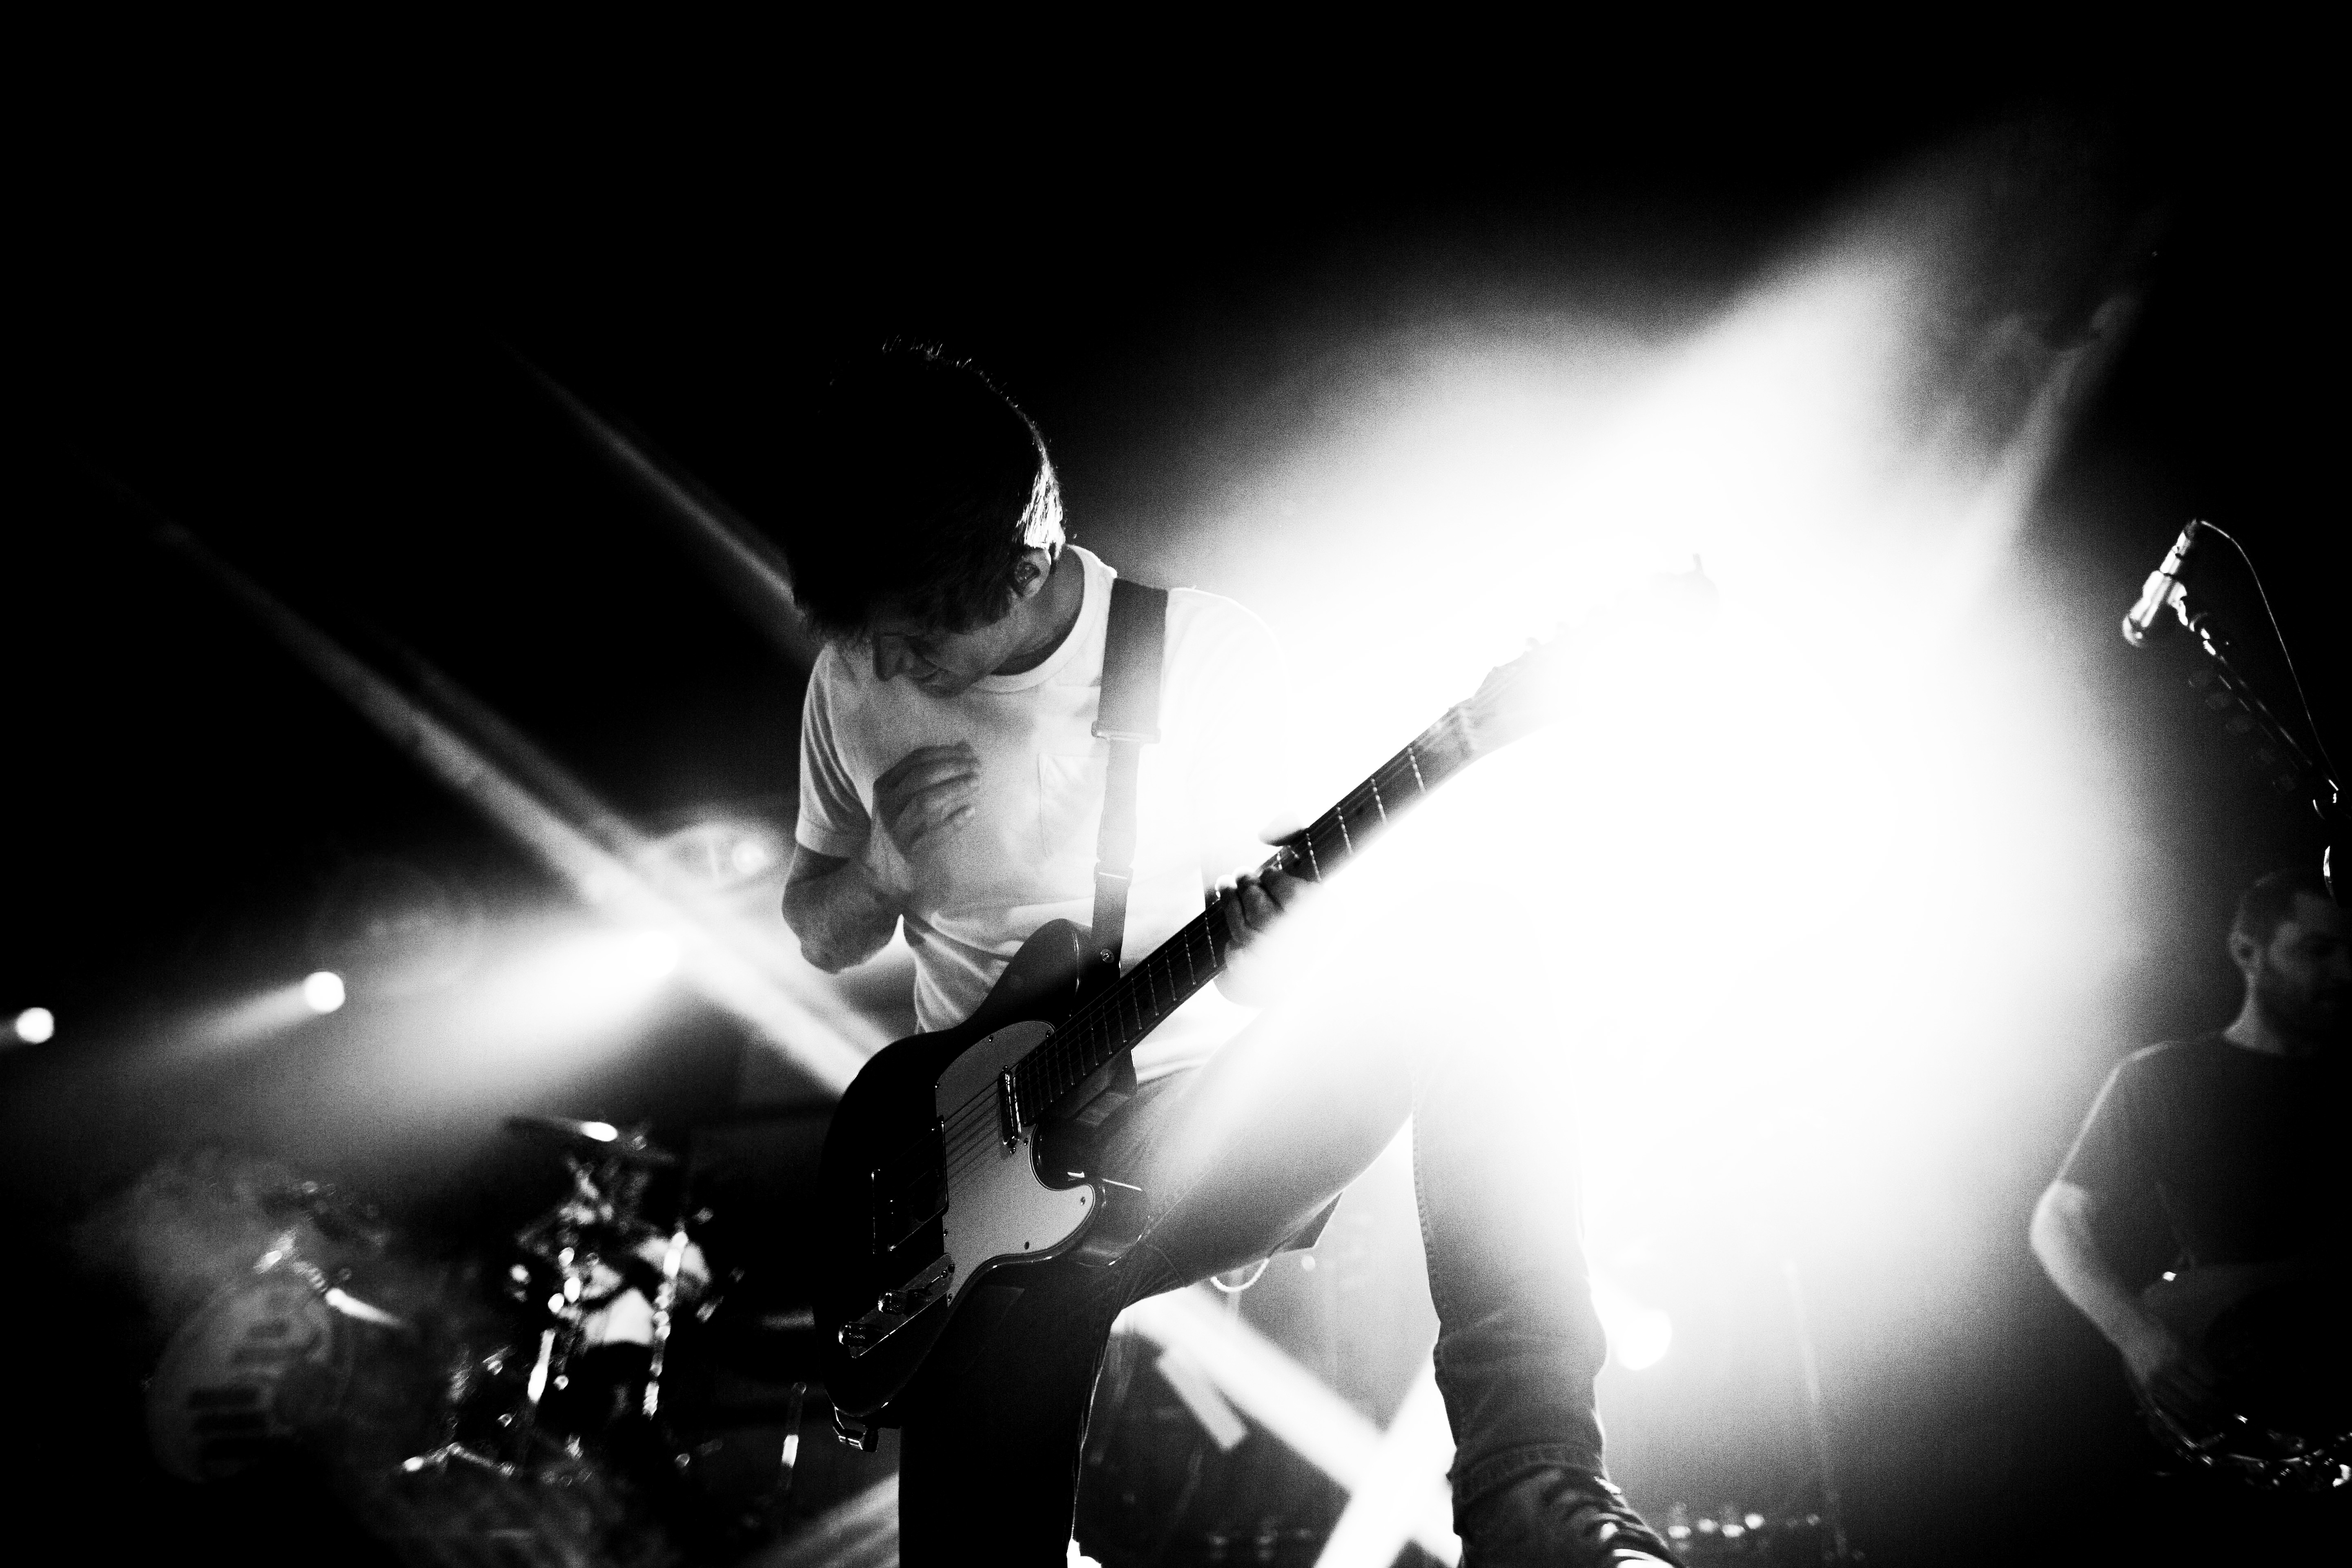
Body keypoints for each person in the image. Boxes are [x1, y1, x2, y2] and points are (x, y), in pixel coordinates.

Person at [775, 347, 1679, 1567]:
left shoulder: (1198, 657)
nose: (886, 670)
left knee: (1474, 940)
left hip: (1194, 1127)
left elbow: (1263, 981)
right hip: (968, 1215)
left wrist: (1277, 940)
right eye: (868, 644)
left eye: (917, 646)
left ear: (1025, 570)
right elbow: (816, 929)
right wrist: (880, 871)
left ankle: (1532, 1480)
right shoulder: (847, 685)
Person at [2029, 866, 2351, 1450]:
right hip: (2244, 1423)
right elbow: (2058, 1219)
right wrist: (2140, 1338)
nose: (2345, 973)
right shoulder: (2163, 1078)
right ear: (2247, 953)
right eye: (2318, 950)